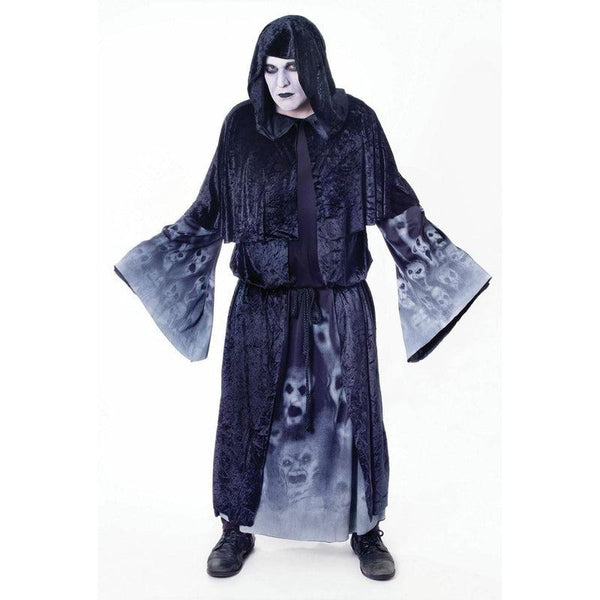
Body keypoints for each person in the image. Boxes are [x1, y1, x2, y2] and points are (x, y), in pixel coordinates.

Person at [114, 15, 492, 581]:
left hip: (340, 304)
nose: (282, 82)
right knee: (247, 414)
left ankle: (367, 528)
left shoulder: (356, 125)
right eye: (270, 70)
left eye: (292, 67)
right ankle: (235, 527)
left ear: (314, 65)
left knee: (354, 416)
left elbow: (394, 204)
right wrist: (153, 262)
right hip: (261, 305)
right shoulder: (242, 128)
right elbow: (210, 211)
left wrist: (445, 271)